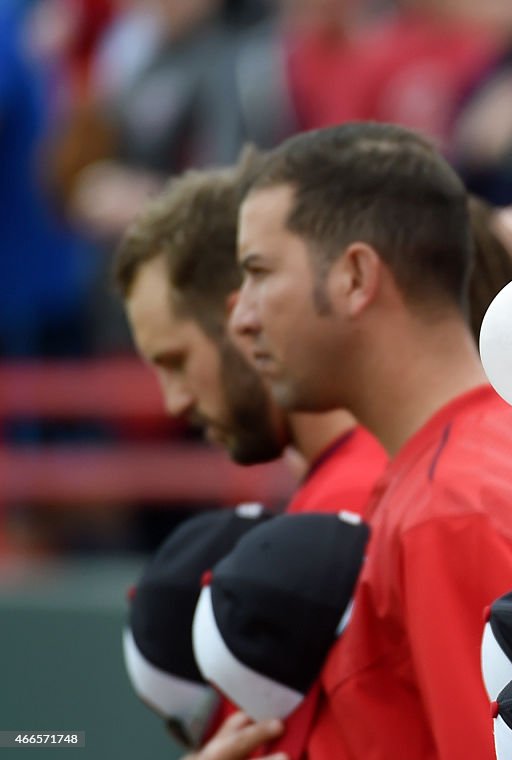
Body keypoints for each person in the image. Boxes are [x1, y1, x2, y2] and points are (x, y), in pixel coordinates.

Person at [229, 122, 512, 759]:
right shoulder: (471, 457)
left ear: (354, 277)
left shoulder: (453, 505)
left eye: (260, 273)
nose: (243, 317)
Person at [114, 165, 388, 759]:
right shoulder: (342, 486)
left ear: (244, 317)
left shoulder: (357, 501)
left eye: (177, 359)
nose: (174, 400)